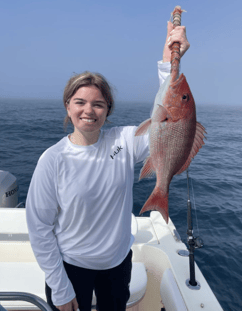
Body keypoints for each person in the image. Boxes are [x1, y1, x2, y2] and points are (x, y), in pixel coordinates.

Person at [26, 21, 190, 311]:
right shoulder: (53, 159)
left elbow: (170, 121)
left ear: (108, 110)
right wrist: (60, 288)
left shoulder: (125, 140)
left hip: (117, 265)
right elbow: (39, 228)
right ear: (67, 106)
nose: (88, 110)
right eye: (80, 102)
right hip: (70, 267)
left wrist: (170, 63)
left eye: (98, 104)